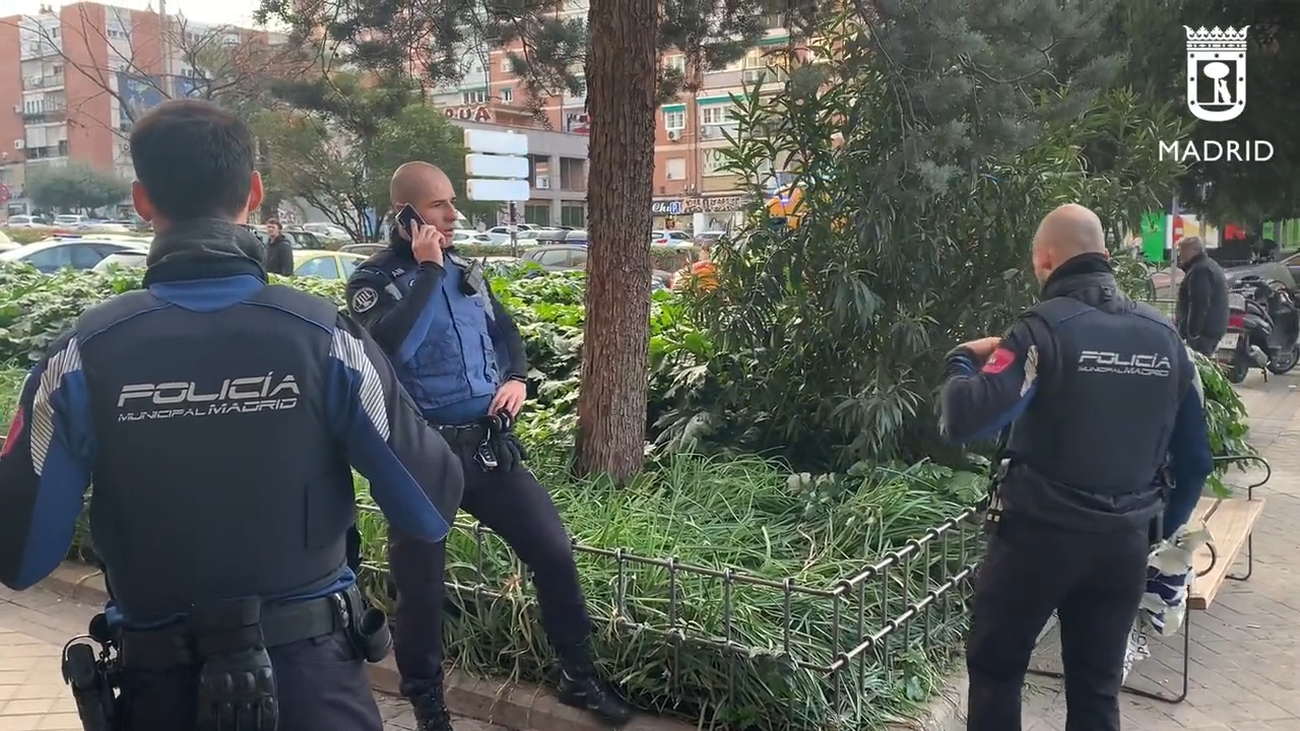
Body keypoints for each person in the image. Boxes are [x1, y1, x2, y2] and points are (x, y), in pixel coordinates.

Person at [0, 100, 465, 731]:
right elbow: (428, 505)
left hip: (158, 691)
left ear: (141, 201)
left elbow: (20, 554)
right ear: (253, 191)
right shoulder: (325, 337)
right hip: (313, 686)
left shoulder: (83, 353)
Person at [345, 162, 633, 731]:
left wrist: (518, 377)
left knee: (553, 552)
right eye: (437, 207)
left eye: (452, 204)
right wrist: (426, 271)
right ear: (404, 216)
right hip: (422, 457)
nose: (452, 216)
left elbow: (505, 332)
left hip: (486, 448)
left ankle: (578, 677)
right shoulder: (372, 282)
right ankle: (428, 707)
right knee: (422, 589)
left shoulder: (467, 272)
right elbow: (389, 348)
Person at [938, 204, 1214, 731]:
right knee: (1096, 689)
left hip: (1037, 542)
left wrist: (960, 360)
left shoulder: (1041, 332)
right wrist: (1156, 532)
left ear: (1044, 260)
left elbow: (964, 420)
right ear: (1105, 256)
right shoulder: (1166, 339)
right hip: (1122, 548)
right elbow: (1197, 459)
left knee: (997, 672)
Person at [1174, 235, 1228, 356]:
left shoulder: (1200, 270)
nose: (1180, 255)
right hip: (1210, 329)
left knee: (1195, 368)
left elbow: (1199, 303)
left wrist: (1192, 333)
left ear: (1194, 250)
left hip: (1203, 332)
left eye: (1183, 250)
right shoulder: (1208, 265)